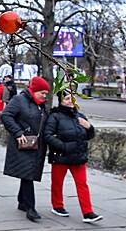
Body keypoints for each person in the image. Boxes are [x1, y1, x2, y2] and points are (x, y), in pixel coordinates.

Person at [44, 92, 103, 224]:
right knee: (57, 183)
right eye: (67, 98)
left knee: (82, 184)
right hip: (61, 157)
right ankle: (57, 206)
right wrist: (64, 147)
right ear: (60, 101)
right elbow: (47, 136)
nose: (70, 101)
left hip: (78, 157)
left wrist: (89, 128)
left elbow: (88, 135)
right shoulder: (55, 117)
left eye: (72, 98)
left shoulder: (80, 116)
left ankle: (88, 213)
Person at [0, 76, 50, 222]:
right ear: (33, 90)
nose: (44, 95)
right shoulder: (19, 100)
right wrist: (18, 132)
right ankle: (31, 208)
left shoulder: (40, 105)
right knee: (28, 175)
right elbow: (6, 115)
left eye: (46, 93)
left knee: (27, 173)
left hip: (35, 145)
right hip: (23, 144)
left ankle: (22, 201)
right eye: (42, 92)